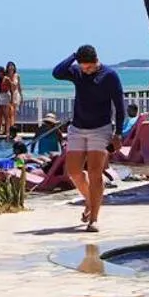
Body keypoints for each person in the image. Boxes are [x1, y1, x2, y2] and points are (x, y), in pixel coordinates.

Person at [52, 44, 126, 231]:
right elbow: (57, 72)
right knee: (74, 171)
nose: (86, 71)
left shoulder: (109, 76)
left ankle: (93, 218)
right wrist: (74, 56)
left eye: (89, 67)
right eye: (83, 67)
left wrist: (118, 133)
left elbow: (119, 105)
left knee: (94, 172)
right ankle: (89, 200)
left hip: (100, 129)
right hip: (77, 127)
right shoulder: (77, 72)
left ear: (96, 61)